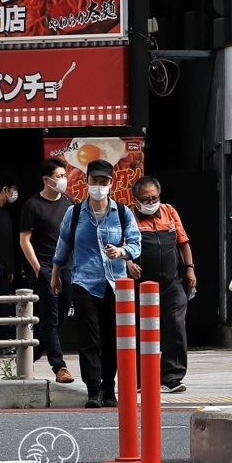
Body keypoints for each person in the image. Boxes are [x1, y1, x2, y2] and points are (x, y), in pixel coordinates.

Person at [51, 159, 142, 408]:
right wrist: (55, 274)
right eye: (94, 181)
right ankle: (93, 390)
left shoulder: (122, 213)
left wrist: (122, 252)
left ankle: (108, 388)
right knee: (89, 338)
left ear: (111, 184)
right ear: (87, 182)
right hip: (84, 282)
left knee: (113, 338)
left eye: (103, 182)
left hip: (116, 285)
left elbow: (136, 243)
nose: (99, 186)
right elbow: (64, 245)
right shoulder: (76, 212)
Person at [128, 176, 196, 394]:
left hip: (171, 282)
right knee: (138, 330)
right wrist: (128, 263)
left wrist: (190, 268)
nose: (150, 202)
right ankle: (139, 378)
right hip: (139, 284)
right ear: (135, 198)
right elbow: (121, 246)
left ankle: (171, 377)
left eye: (154, 198)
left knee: (175, 328)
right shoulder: (127, 215)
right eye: (145, 199)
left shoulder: (169, 211)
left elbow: (183, 242)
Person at [19, 159, 75, 383]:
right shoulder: (32, 205)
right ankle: (59, 367)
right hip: (44, 267)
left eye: (64, 175)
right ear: (46, 179)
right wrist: (37, 268)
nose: (63, 180)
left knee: (60, 319)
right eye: (59, 176)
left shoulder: (70, 203)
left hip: (68, 268)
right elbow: (25, 240)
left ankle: (30, 355)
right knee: (50, 319)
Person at [0, 172, 18, 351]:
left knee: (7, 303)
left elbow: (6, 242)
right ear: (5, 190)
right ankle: (8, 342)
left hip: (3, 268)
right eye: (13, 190)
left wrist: (9, 267)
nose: (14, 194)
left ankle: (8, 342)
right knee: (5, 304)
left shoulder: (5, 213)